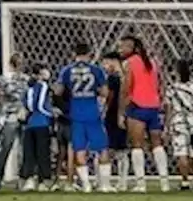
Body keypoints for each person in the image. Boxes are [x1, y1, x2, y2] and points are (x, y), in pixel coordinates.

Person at [55, 44, 112, 192]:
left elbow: (58, 91)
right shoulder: (96, 70)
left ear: (74, 53)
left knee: (79, 149)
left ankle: (86, 184)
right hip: (93, 113)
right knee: (102, 148)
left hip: (76, 114)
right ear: (89, 54)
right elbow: (105, 93)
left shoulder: (66, 70)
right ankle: (105, 185)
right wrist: (95, 90)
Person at [118, 34, 170, 192]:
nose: (120, 50)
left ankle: (141, 183)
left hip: (137, 106)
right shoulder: (153, 63)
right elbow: (161, 85)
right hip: (153, 107)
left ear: (132, 48)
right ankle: (164, 181)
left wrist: (121, 111)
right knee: (157, 144)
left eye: (123, 46)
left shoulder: (130, 63)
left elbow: (127, 87)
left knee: (137, 145)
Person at [0, 53, 28, 190]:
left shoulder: (5, 79)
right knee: (11, 149)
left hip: (13, 116)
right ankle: (7, 179)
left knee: (9, 149)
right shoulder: (21, 80)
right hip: (19, 116)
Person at [164, 59, 193, 191]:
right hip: (192, 121)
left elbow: (169, 108)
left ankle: (185, 180)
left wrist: (167, 125)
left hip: (178, 121)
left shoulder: (172, 88)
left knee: (181, 152)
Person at [20, 65, 55, 191]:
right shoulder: (43, 86)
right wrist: (51, 114)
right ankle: (42, 181)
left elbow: (26, 104)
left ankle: (29, 179)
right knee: (42, 152)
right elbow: (40, 105)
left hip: (30, 123)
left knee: (29, 152)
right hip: (42, 122)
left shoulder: (28, 87)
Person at [101, 52, 130, 190]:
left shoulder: (113, 78)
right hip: (125, 114)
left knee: (109, 148)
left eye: (106, 63)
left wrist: (104, 109)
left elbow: (110, 96)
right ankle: (122, 181)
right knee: (122, 149)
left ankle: (105, 181)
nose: (105, 67)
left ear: (114, 61)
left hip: (113, 115)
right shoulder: (126, 76)